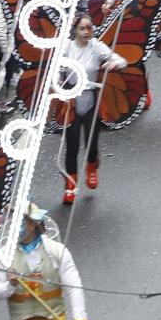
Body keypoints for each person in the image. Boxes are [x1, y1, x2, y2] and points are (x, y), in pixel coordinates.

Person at [57, 14, 128, 204]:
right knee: (71, 146)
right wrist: (58, 85)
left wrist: (112, 64)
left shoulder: (96, 47)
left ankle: (91, 165)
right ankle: (70, 186)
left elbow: (122, 61)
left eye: (89, 28)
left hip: (91, 99)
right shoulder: (66, 48)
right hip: (71, 102)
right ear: (75, 30)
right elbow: (55, 70)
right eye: (82, 28)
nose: (86, 32)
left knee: (91, 141)